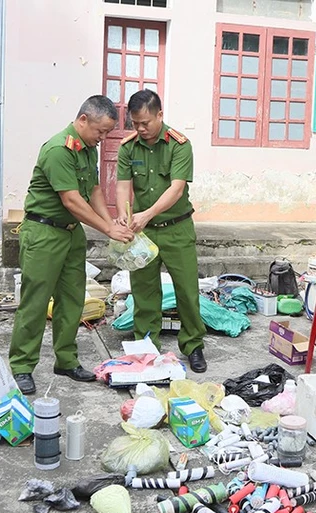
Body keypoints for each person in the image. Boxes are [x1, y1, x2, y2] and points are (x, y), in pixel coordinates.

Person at [10, 95, 134, 395]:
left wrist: (111, 222)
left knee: (72, 299)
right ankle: (22, 366)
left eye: (107, 133)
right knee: (36, 302)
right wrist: (106, 228)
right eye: (100, 131)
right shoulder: (58, 149)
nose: (103, 138)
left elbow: (92, 190)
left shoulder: (87, 149)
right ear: (82, 120)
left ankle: (65, 360)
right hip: (43, 233)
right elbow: (71, 199)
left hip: (70, 234)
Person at [115, 89, 207, 373]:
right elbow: (122, 186)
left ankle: (193, 345)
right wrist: (123, 214)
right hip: (143, 233)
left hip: (177, 228)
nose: (141, 129)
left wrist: (147, 213)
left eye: (146, 122)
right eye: (135, 124)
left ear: (160, 115)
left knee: (187, 291)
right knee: (144, 293)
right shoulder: (128, 147)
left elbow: (176, 188)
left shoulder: (179, 145)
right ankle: (146, 347)